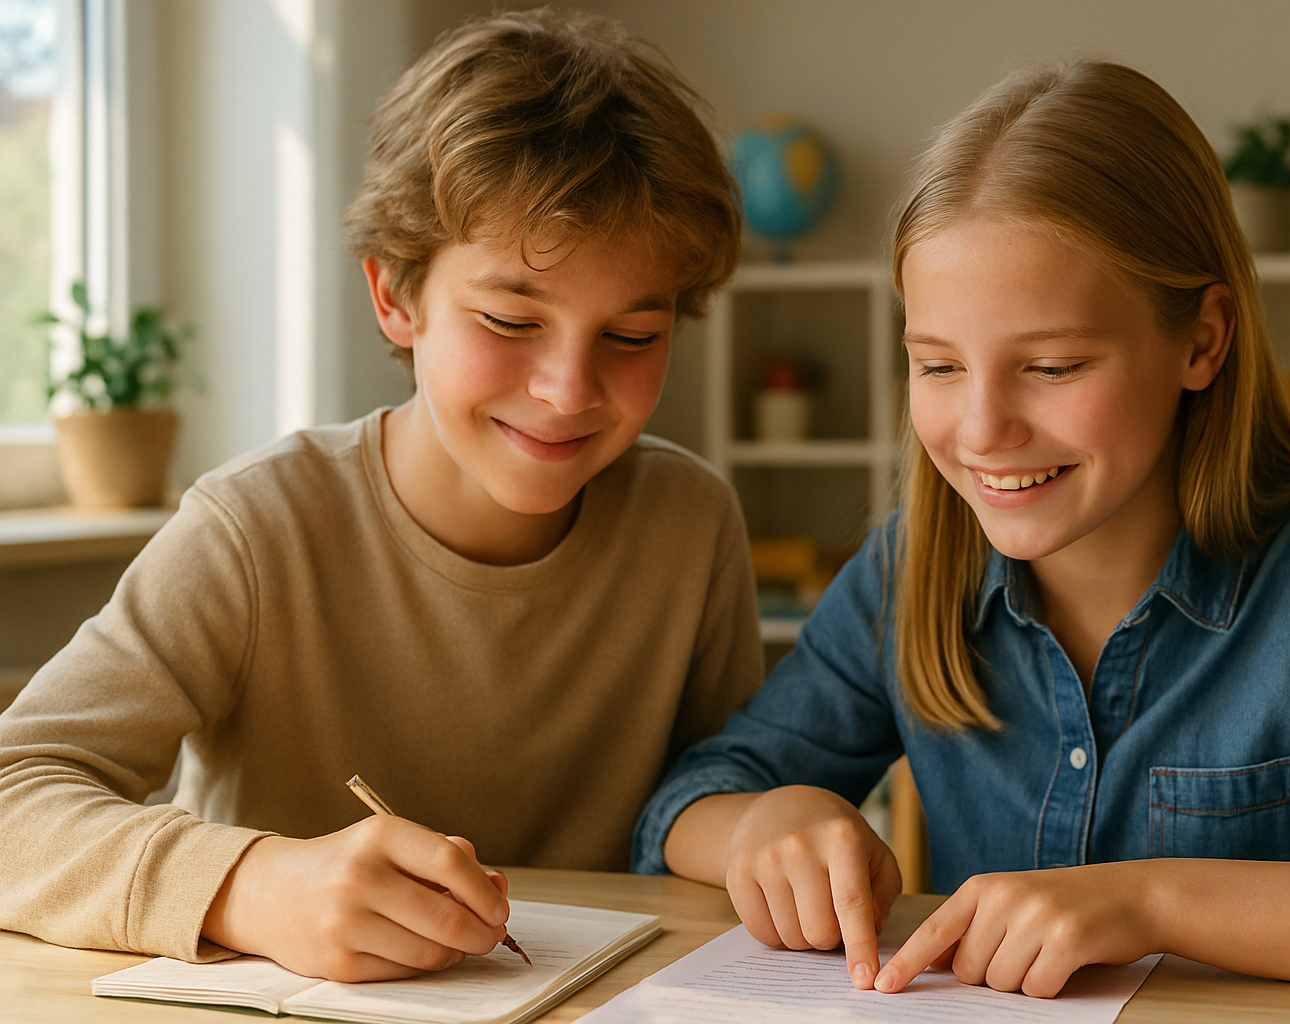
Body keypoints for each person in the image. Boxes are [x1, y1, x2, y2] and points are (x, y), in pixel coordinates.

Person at [636, 62, 1290, 1001]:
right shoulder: (912, 568)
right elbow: (682, 805)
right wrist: (763, 822)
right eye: (937, 365)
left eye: (1054, 366)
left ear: (1202, 341)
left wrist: (1150, 902)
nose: (982, 430)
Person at [0, 8, 759, 983]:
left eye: (631, 336)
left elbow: (720, 797)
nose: (569, 389)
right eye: (508, 317)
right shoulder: (255, 528)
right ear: (395, 297)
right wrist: (252, 883)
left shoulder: (691, 524)